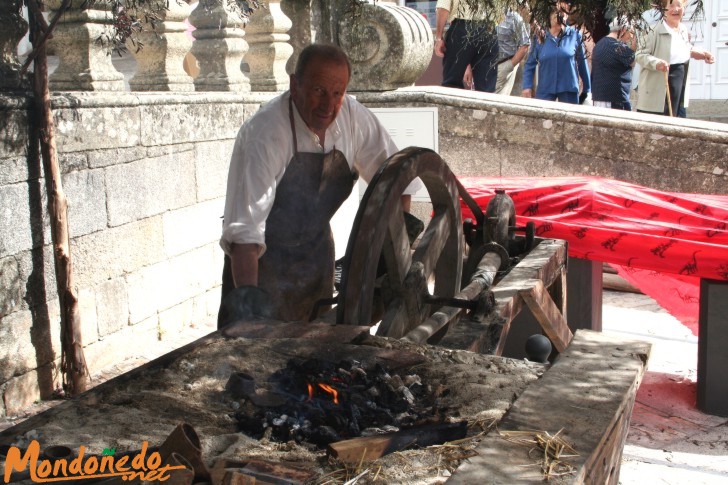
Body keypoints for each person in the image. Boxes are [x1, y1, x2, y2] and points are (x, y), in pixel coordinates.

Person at [218, 44, 419, 326]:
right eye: (318, 91)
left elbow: (399, 180)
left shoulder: (353, 118)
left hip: (316, 268)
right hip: (260, 274)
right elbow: (245, 235)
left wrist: (392, 255)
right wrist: (249, 313)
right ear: (295, 84)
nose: (328, 105)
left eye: (337, 93)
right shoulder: (265, 134)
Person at [635, 0, 714, 117]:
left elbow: (684, 49)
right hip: (659, 85)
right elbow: (640, 55)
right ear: (663, 9)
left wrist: (702, 54)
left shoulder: (682, 29)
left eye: (679, 5)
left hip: (679, 81)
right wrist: (656, 63)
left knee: (676, 122)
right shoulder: (653, 30)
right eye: (671, 5)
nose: (675, 9)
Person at [522, 2, 591, 104]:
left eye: (564, 14)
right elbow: (530, 64)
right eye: (557, 14)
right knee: (542, 118)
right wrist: (527, 86)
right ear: (549, 16)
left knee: (569, 118)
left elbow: (582, 63)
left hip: (568, 88)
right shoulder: (540, 37)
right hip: (545, 88)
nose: (561, 17)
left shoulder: (575, 35)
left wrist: (587, 90)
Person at [435, 0, 499, 92]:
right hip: (488, 29)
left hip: (462, 27)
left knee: (452, 85)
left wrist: (438, 38)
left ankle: (453, 105)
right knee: (486, 87)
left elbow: (443, 7)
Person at [591, 17, 637, 111]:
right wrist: (634, 48)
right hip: (615, 99)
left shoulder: (599, 44)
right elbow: (633, 61)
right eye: (631, 32)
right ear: (623, 30)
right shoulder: (618, 47)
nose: (631, 37)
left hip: (599, 97)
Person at [494, 5, 531, 95]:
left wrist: (510, 65)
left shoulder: (514, 17)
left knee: (497, 103)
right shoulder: (483, 15)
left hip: (503, 66)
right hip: (482, 67)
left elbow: (525, 44)